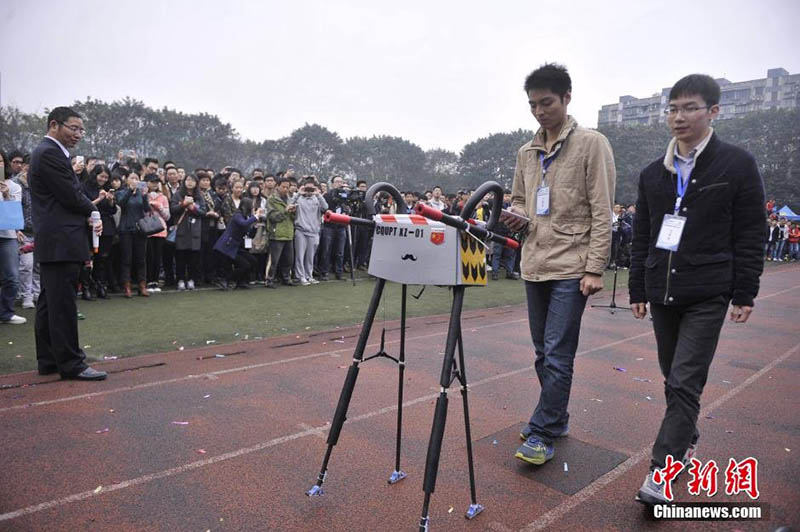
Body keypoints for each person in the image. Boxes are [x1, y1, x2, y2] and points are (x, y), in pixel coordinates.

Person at [628, 74, 765, 505]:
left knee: (686, 380)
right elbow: (644, 234)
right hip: (662, 290)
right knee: (673, 377)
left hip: (709, 290)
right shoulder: (654, 173)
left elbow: (750, 232)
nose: (678, 116)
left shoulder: (736, 165)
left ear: (713, 111)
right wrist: (637, 286)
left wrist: (745, 291)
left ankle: (663, 471)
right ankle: (686, 438)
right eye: (672, 108)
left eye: (689, 108)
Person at [505, 64, 615, 465]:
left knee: (556, 351)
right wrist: (515, 213)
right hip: (534, 260)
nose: (538, 111)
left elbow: (603, 211)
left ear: (567, 98)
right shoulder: (526, 152)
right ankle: (557, 416)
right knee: (541, 351)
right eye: (532, 104)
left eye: (546, 102)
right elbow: (519, 198)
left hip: (572, 264)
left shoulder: (591, 144)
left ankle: (543, 430)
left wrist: (594, 267)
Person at [28, 106, 106, 380]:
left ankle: (49, 358)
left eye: (81, 130)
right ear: (54, 125)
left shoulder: (50, 153)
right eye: (73, 128)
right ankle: (72, 363)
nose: (78, 134)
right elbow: (71, 194)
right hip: (61, 239)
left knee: (50, 301)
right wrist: (92, 210)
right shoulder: (49, 153)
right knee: (61, 303)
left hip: (56, 239)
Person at [115, 163, 151, 298]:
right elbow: (121, 204)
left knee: (141, 259)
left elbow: (146, 209)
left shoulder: (141, 194)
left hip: (140, 229)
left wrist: (146, 195)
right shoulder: (121, 192)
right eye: (132, 178)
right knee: (126, 259)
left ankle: (142, 285)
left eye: (137, 178)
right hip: (126, 229)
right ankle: (127, 286)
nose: (135, 180)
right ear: (127, 180)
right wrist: (130, 190)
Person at [81, 164, 116, 299]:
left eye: (106, 177)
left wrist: (111, 200)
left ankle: (100, 285)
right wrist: (99, 199)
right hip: (89, 225)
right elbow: (84, 206)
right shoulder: (85, 187)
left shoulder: (108, 189)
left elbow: (112, 210)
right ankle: (85, 287)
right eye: (101, 176)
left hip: (106, 227)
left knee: (102, 258)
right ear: (95, 175)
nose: (103, 179)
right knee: (87, 258)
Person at [213, 197, 262, 289]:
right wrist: (255, 217)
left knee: (253, 261)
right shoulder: (237, 215)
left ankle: (241, 281)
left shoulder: (246, 217)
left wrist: (255, 226)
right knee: (244, 264)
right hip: (227, 245)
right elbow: (243, 223)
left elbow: (250, 235)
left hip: (236, 246)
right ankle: (225, 279)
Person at [0, 149, 25, 324]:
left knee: (11, 277)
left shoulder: (14, 186)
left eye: (0, 161)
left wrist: (6, 195)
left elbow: (14, 216)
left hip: (7, 236)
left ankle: (6, 312)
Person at [292, 177, 328, 285]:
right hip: (300, 230)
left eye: (311, 189)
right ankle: (300, 276)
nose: (309, 191)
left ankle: (309, 275)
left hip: (314, 231)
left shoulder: (317, 198)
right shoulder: (298, 198)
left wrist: (318, 194)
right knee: (300, 255)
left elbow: (325, 207)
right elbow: (289, 205)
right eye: (307, 188)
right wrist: (299, 193)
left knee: (310, 256)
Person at [265, 176, 297, 288]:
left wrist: (293, 212)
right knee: (274, 260)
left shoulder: (290, 199)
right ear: (277, 187)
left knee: (289, 259)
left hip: (288, 233)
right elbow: (272, 217)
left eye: (287, 187)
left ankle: (286, 278)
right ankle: (269, 280)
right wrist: (285, 210)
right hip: (276, 233)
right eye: (283, 187)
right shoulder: (271, 200)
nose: (286, 189)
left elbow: (294, 218)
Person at [319, 176, 348, 281]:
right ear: (332, 184)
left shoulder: (344, 195)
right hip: (329, 226)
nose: (339, 183)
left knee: (340, 251)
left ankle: (339, 272)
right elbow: (323, 209)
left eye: (341, 181)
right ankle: (324, 272)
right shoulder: (327, 195)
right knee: (326, 250)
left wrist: (346, 210)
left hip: (341, 226)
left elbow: (348, 208)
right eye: (337, 182)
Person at [145, 173, 169, 292]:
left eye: (156, 182)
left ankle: (155, 281)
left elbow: (167, 216)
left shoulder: (163, 197)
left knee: (157, 257)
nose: (154, 184)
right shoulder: (143, 195)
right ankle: (149, 281)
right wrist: (147, 203)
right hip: (147, 230)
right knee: (149, 256)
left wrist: (159, 207)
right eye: (152, 182)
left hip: (160, 230)